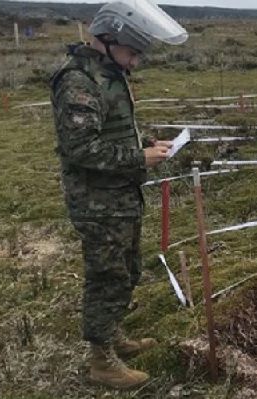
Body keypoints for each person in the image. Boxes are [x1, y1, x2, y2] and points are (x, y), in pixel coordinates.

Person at [48, 0, 188, 390]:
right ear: (109, 40)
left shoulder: (108, 73)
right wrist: (140, 158)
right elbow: (81, 149)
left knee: (127, 270)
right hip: (97, 201)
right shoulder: (78, 81)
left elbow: (111, 130)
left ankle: (113, 335)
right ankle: (101, 361)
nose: (135, 62)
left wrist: (146, 145)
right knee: (107, 276)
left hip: (120, 193)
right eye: (132, 52)